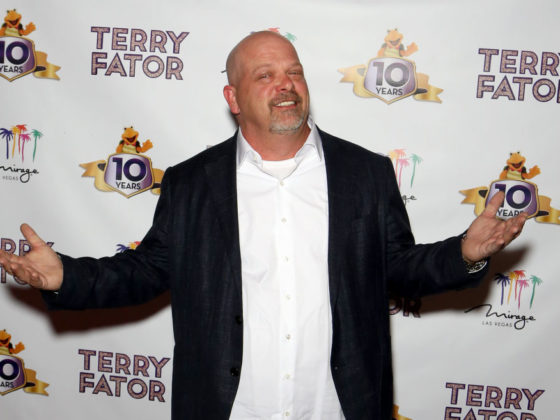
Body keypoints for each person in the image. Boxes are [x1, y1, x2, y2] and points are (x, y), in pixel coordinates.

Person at [0, 31, 526, 419]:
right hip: (229, 409)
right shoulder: (192, 182)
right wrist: (65, 276)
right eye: (265, 75)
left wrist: (464, 253)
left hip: (338, 407)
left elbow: (399, 267)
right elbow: (146, 270)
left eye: (293, 72)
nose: (285, 85)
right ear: (233, 98)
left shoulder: (365, 174)